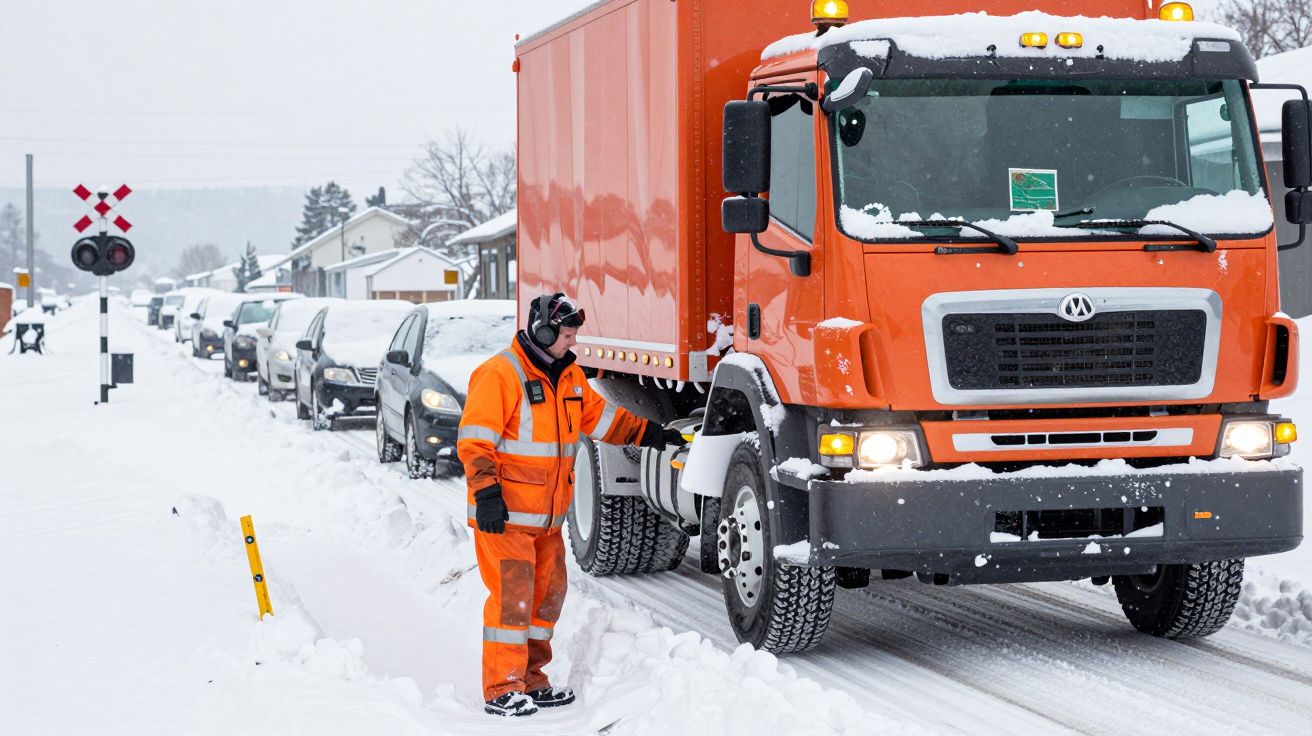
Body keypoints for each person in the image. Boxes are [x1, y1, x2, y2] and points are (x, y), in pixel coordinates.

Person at [457, 292, 684, 717]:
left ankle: (531, 679)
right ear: (541, 330)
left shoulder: (570, 378)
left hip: (547, 520)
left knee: (547, 599)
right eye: (565, 335)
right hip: (504, 518)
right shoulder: (498, 375)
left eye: (573, 335)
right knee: (513, 599)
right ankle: (500, 687)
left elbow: (604, 421)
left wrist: (653, 434)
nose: (571, 343)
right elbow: (474, 442)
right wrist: (486, 494)